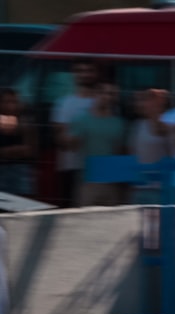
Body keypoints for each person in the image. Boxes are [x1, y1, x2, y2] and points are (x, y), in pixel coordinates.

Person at [68, 81, 127, 206]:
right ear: (96, 94)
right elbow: (73, 146)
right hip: (87, 181)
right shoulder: (81, 119)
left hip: (111, 183)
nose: (108, 97)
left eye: (112, 94)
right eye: (104, 93)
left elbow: (120, 152)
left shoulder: (119, 123)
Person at [51, 58, 98, 207]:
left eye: (89, 70)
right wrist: (67, 140)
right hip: (71, 167)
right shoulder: (64, 103)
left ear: (96, 73)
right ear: (73, 74)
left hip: (98, 167)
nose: (85, 74)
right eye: (80, 71)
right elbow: (59, 137)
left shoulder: (104, 102)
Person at [128, 88, 169, 205]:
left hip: (160, 189)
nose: (142, 104)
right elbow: (132, 155)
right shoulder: (137, 126)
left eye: (146, 100)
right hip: (139, 188)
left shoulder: (169, 126)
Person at [0, 88, 37, 198]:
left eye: (14, 102)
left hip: (21, 174)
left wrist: (5, 152)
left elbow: (30, 151)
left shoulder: (27, 123)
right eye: (7, 102)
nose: (11, 106)